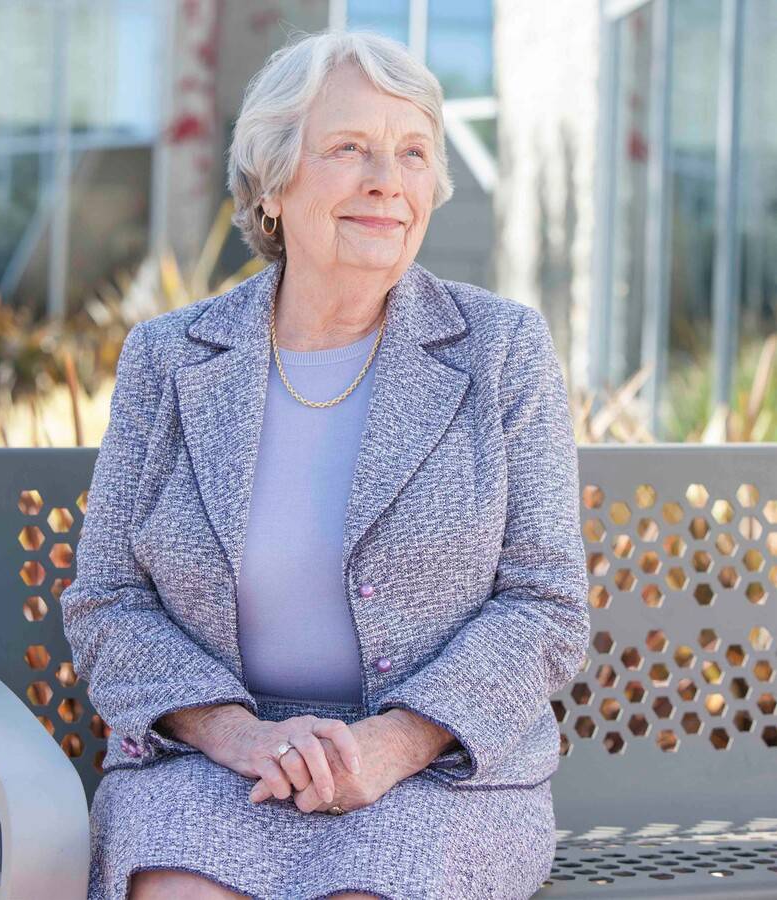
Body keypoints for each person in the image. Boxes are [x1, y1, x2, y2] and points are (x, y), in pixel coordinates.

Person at [60, 27, 590, 900]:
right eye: (350, 148)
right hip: (215, 764)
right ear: (272, 184)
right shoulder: (167, 360)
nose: (388, 179)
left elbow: (544, 604)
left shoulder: (502, 351)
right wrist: (235, 734)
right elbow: (109, 599)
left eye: (413, 153)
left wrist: (391, 744)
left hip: (440, 773)